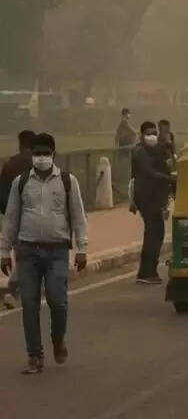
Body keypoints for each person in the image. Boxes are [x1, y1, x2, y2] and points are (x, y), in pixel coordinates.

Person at [0, 133, 89, 374]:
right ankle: (34, 356)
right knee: (29, 304)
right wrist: (4, 250)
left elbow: (79, 217)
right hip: (27, 251)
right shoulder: (21, 183)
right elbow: (11, 218)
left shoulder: (68, 181)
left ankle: (57, 338)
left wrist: (82, 248)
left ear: (53, 155)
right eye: (37, 153)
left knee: (57, 300)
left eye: (45, 153)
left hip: (57, 251)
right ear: (31, 155)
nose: (41, 158)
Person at [130, 122, 170, 285]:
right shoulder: (140, 152)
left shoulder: (154, 149)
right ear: (141, 135)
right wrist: (168, 178)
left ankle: (148, 271)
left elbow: (165, 160)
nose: (152, 136)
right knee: (154, 232)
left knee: (156, 232)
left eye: (154, 133)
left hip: (154, 197)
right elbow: (149, 172)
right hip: (146, 197)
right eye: (148, 133)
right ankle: (147, 272)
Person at [1, 130, 36, 308]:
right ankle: (13, 290)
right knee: (28, 256)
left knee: (23, 254)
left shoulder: (9, 165)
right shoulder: (35, 166)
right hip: (32, 218)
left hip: (12, 218)